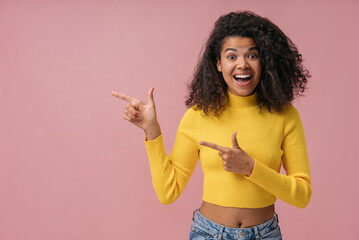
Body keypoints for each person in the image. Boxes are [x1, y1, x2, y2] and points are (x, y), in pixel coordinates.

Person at [112, 11, 311, 240]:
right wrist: (151, 130)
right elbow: (168, 192)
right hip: (208, 234)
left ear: (264, 61)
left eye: (252, 55)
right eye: (232, 56)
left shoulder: (286, 115)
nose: (242, 65)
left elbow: (302, 195)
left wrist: (251, 168)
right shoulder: (198, 115)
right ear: (218, 64)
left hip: (265, 234)